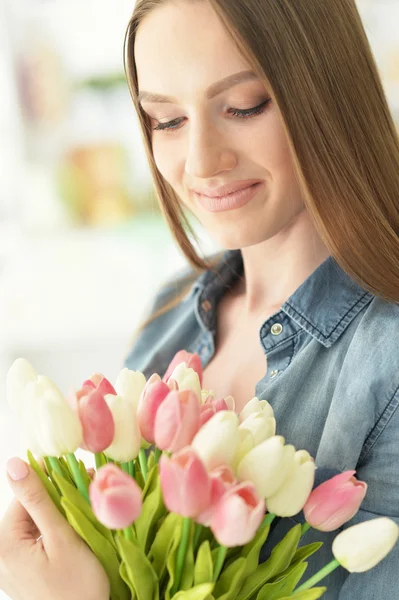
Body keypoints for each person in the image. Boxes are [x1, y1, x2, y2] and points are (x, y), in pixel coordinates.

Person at [0, 0, 398, 598]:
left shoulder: (387, 363)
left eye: (244, 106)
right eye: (166, 120)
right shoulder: (173, 308)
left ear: (327, 90)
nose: (201, 162)